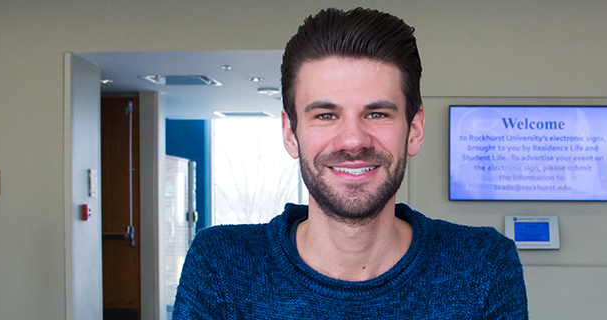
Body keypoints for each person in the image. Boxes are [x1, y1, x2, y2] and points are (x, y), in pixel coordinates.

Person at [173, 7, 528, 319]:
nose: (353, 140)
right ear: (290, 132)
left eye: (376, 114)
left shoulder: (483, 265)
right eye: (326, 115)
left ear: (415, 129)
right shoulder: (220, 266)